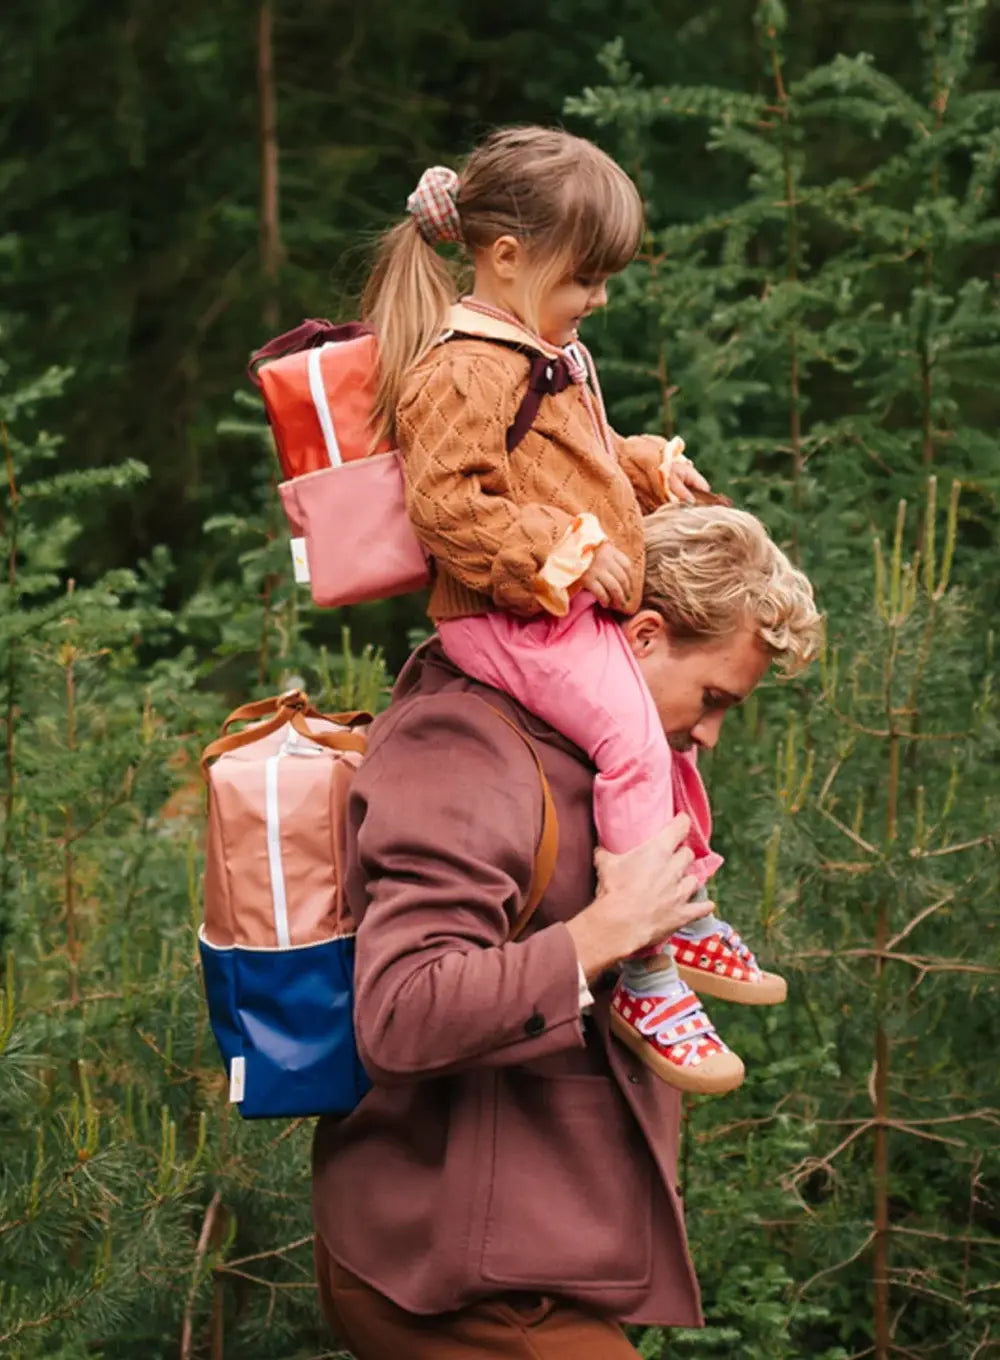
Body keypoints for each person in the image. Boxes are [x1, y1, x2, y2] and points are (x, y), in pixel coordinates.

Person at [312, 502, 822, 1358]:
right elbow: (401, 1012)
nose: (710, 733)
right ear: (646, 635)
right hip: (448, 1273)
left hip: (528, 1252)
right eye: (713, 698)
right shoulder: (467, 741)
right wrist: (607, 931)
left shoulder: (592, 752)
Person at [361, 125, 781, 1094]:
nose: (598, 298)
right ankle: (645, 970)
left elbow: (565, 459)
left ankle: (683, 901)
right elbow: (448, 503)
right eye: (586, 278)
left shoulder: (544, 350)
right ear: (509, 257)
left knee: (660, 738)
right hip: (502, 611)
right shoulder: (462, 367)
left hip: (549, 601)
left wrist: (643, 468)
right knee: (634, 740)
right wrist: (555, 549)